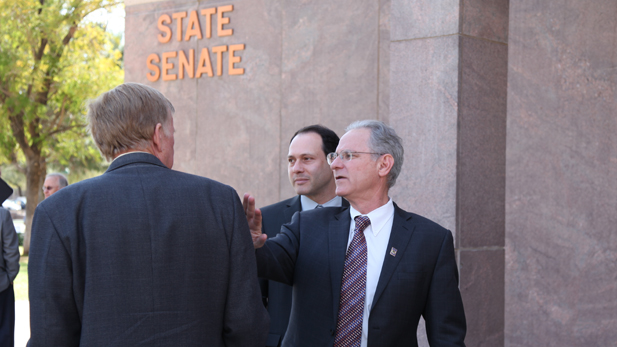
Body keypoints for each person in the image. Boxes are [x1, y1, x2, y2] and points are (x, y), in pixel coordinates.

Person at [28, 83, 269, 346]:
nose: (173, 141)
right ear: (157, 135)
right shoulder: (220, 202)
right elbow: (246, 326)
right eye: (172, 133)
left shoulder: (58, 211)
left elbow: (49, 333)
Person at [247, 120, 466, 346]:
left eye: (349, 156)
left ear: (383, 165)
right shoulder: (308, 225)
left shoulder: (430, 240)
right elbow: (268, 260)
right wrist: (249, 244)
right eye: (335, 157)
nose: (335, 165)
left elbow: (447, 336)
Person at [259, 125, 348, 347]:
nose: (296, 168)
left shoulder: (360, 217)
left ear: (333, 161)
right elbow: (253, 300)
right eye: (291, 160)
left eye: (306, 159)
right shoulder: (265, 219)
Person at [0, 174, 20, 347]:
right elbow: (12, 253)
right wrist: (8, 278)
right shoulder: (2, 215)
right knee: (4, 335)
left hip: (2, 285)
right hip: (2, 285)